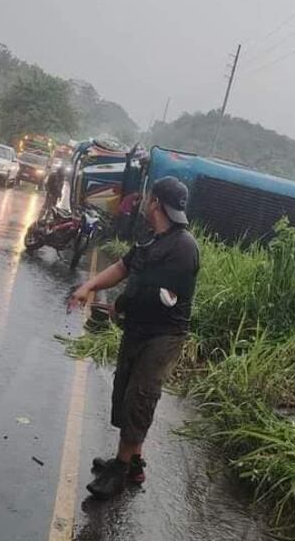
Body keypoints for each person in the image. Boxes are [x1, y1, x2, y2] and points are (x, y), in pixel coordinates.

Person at [68, 176, 200, 499]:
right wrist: (89, 287)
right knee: (127, 390)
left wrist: (121, 304)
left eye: (148, 197)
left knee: (139, 397)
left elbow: (161, 294)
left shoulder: (183, 247)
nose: (143, 201)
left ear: (156, 202)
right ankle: (132, 461)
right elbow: (124, 267)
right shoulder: (150, 236)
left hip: (162, 335)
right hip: (138, 329)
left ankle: (120, 472)